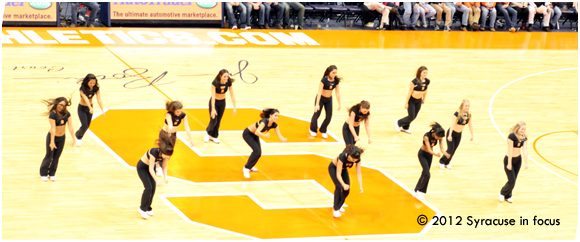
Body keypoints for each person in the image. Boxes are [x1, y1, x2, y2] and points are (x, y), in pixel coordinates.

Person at [136, 133, 174, 219]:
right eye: (167, 156)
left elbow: (164, 166)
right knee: (148, 187)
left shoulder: (166, 156)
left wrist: (165, 177)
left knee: (153, 188)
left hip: (151, 168)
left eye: (169, 157)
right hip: (143, 168)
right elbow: (151, 169)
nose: (167, 158)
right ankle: (142, 209)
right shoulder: (153, 153)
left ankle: (148, 208)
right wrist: (157, 180)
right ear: (163, 152)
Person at [242, 108, 287, 178]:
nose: (277, 117)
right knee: (256, 150)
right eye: (275, 115)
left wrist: (283, 139)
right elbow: (257, 132)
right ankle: (246, 168)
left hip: (255, 135)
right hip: (248, 134)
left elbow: (280, 136)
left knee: (259, 153)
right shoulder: (264, 122)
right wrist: (265, 136)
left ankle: (250, 166)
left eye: (278, 116)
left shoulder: (274, 125)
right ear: (270, 115)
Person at [40, 96, 75, 182]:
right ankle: (43, 173)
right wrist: (52, 142)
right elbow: (53, 129)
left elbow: (70, 126)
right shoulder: (53, 115)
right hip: (52, 137)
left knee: (56, 157)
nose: (62, 107)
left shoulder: (67, 114)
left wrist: (74, 138)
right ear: (56, 104)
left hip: (61, 138)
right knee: (49, 155)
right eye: (61, 105)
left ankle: (52, 173)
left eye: (64, 105)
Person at [158, 100, 195, 176]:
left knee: (169, 153)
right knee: (162, 152)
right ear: (173, 110)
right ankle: (158, 167)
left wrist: (191, 139)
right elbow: (170, 125)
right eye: (178, 111)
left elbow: (187, 127)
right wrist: (169, 135)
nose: (179, 113)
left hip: (173, 135)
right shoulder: (169, 115)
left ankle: (162, 167)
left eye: (180, 111)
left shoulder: (183, 116)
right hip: (165, 134)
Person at [414, 122, 449, 200]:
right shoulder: (426, 136)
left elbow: (442, 148)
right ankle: (420, 191)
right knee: (427, 174)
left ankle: (416, 189)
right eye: (438, 137)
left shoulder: (439, 137)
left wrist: (446, 154)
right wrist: (435, 154)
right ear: (434, 133)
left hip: (429, 156)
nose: (439, 139)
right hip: (422, 154)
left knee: (424, 173)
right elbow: (429, 149)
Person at [328, 145, 364, 218]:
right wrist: (343, 184)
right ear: (349, 155)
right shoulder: (342, 157)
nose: (354, 162)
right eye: (353, 160)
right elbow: (338, 174)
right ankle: (335, 209)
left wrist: (361, 186)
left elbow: (359, 173)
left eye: (355, 160)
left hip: (343, 170)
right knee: (339, 186)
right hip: (334, 169)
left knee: (347, 190)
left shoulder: (357, 159)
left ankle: (339, 205)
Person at [439, 99, 475, 169]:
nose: (467, 107)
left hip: (458, 135)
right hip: (452, 133)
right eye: (466, 106)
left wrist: (472, 135)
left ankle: (447, 162)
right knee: (450, 149)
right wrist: (449, 135)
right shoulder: (457, 114)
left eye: (468, 106)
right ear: (462, 106)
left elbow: (470, 125)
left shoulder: (469, 115)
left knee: (454, 149)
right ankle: (442, 161)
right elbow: (452, 124)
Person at [204, 69, 237, 144]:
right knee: (213, 120)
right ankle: (208, 133)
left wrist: (234, 107)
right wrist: (213, 108)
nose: (226, 78)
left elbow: (232, 95)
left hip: (222, 103)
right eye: (224, 76)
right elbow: (213, 95)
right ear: (220, 76)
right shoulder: (215, 83)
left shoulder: (228, 82)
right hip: (214, 102)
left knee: (218, 121)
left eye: (227, 76)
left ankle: (214, 136)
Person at [309, 65, 342, 139]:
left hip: (329, 99)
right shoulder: (324, 80)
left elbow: (337, 92)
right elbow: (319, 92)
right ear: (329, 72)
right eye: (333, 73)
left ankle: (323, 130)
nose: (335, 74)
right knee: (316, 115)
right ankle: (312, 129)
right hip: (321, 99)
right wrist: (317, 104)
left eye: (336, 73)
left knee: (329, 116)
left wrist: (339, 103)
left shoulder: (336, 81)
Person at [499, 121, 528, 203]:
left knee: (514, 180)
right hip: (509, 159)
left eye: (524, 129)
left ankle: (508, 196)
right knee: (511, 180)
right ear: (518, 128)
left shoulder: (524, 137)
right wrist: (509, 163)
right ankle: (502, 193)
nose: (523, 131)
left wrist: (526, 163)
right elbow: (510, 150)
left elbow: (525, 150)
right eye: (522, 129)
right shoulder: (512, 136)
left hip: (518, 160)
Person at [396, 66, 430, 134]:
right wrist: (406, 103)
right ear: (420, 73)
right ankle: (398, 122)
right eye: (424, 73)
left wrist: (424, 99)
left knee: (414, 116)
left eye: (426, 73)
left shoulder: (427, 81)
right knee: (411, 116)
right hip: (412, 100)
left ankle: (405, 127)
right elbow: (409, 92)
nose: (425, 74)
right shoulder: (414, 82)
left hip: (419, 101)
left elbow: (425, 91)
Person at [75, 73, 104, 146]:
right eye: (90, 83)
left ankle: (77, 133)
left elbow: (99, 99)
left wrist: (102, 109)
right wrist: (90, 107)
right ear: (87, 81)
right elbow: (85, 99)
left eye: (94, 83)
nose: (92, 84)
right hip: (82, 108)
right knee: (84, 125)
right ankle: (78, 137)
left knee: (87, 126)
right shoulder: (82, 88)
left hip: (89, 108)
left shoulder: (96, 88)